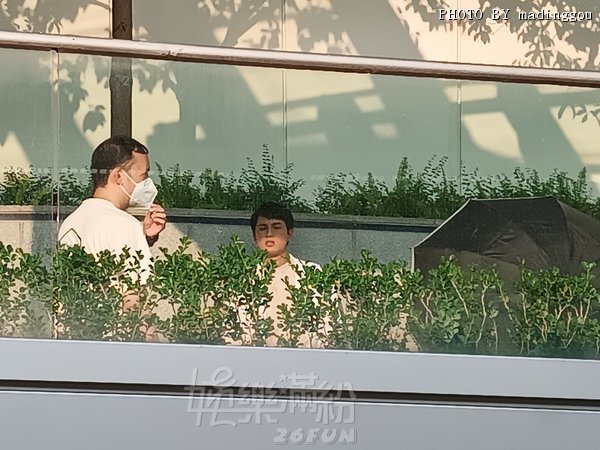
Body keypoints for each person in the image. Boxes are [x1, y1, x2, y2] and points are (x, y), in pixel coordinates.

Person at [58, 135, 167, 291]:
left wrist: (143, 237)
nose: (148, 182)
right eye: (143, 175)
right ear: (119, 176)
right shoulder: (124, 224)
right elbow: (133, 293)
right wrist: (135, 233)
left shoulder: (71, 221)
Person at [249, 201, 325, 347]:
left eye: (276, 227)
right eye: (263, 228)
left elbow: (328, 324)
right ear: (254, 235)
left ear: (289, 233)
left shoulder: (312, 273)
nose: (269, 234)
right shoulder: (244, 276)